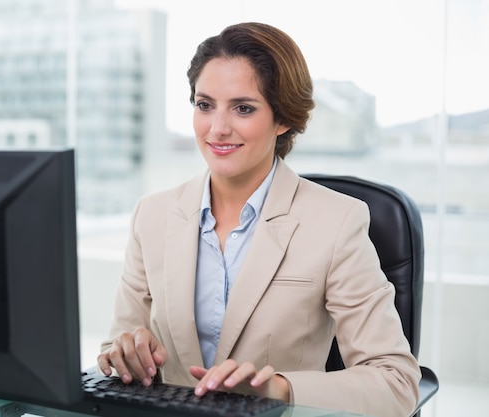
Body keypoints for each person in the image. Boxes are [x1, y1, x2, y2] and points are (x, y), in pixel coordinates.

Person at [97, 22, 421, 417]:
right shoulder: (153, 215)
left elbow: (397, 383)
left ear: (282, 118)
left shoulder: (337, 222)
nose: (217, 128)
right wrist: (126, 354)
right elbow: (118, 346)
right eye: (204, 104)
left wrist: (281, 388)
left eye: (243, 108)